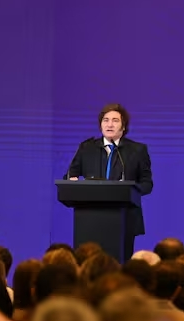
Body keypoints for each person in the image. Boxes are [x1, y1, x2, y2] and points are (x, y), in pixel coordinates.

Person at [66, 103, 154, 256]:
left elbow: (147, 183)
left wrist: (129, 190)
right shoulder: (86, 148)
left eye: (115, 120)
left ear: (123, 126)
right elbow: (69, 176)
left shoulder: (137, 150)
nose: (110, 124)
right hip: (89, 218)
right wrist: (72, 181)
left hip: (124, 218)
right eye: (105, 120)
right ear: (100, 124)